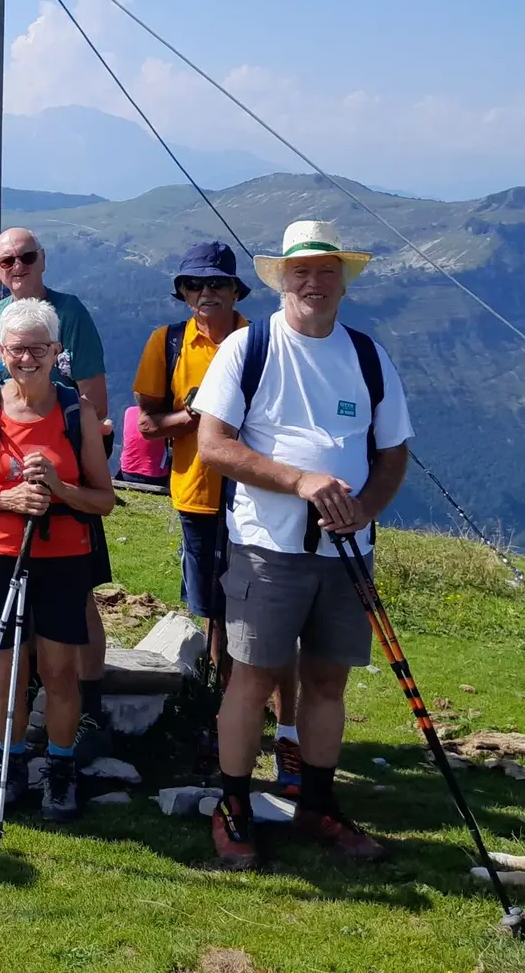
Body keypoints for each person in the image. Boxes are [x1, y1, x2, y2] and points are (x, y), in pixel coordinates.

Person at [194, 219, 413, 870]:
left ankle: (317, 804)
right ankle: (233, 807)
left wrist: (364, 510)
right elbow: (213, 445)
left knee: (326, 680)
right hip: (266, 547)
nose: (313, 283)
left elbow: (395, 451)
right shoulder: (248, 349)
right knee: (251, 679)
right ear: (282, 279)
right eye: (301, 272)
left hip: (345, 552)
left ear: (343, 281)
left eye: (325, 272)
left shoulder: (368, 357)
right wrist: (302, 480)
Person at [133, 242, 302, 799]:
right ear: (183, 292)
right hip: (199, 499)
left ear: (236, 291)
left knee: (270, 622)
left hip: (260, 505)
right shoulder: (168, 342)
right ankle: (222, 722)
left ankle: (284, 734)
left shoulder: (267, 340)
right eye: (194, 286)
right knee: (213, 617)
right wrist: (199, 415)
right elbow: (150, 424)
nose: (206, 295)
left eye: (218, 286)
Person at [0, 300, 115, 822]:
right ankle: (11, 763)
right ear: (1, 352)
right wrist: (7, 499)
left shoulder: (76, 411)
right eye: (16, 349)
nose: (26, 359)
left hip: (64, 556)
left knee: (60, 670)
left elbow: (103, 499)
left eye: (37, 348)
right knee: (6, 668)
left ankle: (60, 769)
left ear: (56, 351)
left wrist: (59, 489)